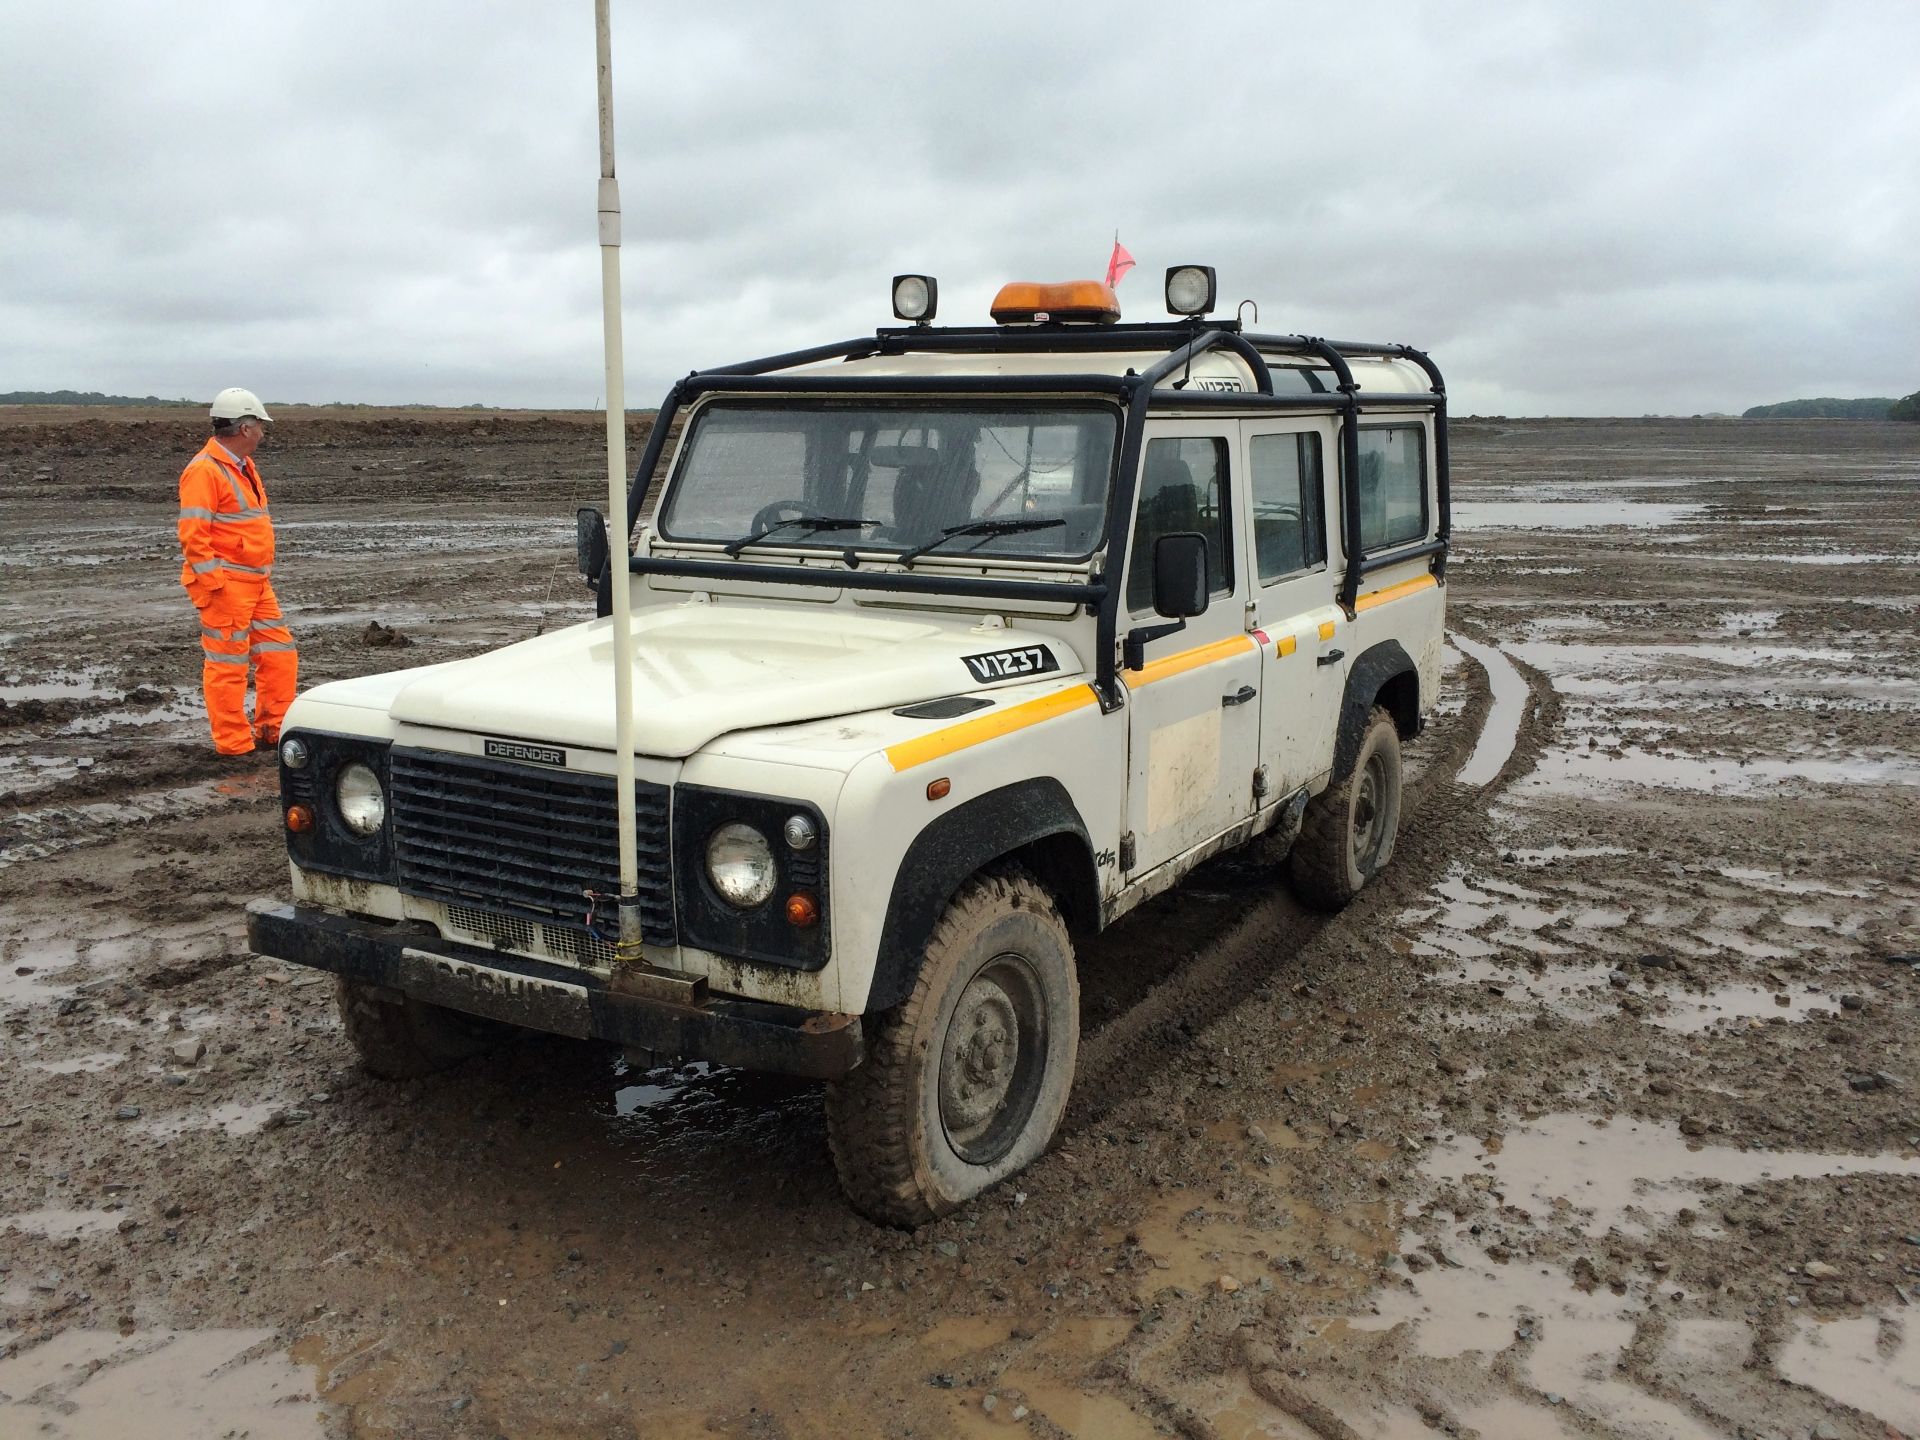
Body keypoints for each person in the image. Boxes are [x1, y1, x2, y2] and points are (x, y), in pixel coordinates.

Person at [176, 388, 297, 757]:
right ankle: (233, 745)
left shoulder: (242, 466)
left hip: (256, 583)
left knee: (280, 655)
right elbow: (193, 536)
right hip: (228, 585)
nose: (263, 432)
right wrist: (216, 584)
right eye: (260, 425)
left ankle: (274, 729)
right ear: (245, 428)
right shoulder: (204, 471)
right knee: (228, 665)